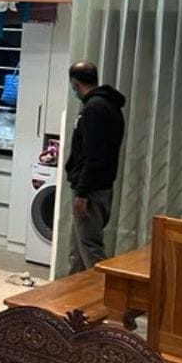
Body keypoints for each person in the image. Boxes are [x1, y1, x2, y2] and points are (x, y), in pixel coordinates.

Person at [65, 61, 126, 273]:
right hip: (101, 186)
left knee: (90, 248)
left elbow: (93, 154)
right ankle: (72, 289)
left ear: (75, 83)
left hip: (90, 190)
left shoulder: (94, 108)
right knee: (77, 249)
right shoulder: (110, 106)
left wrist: (82, 193)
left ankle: (102, 289)